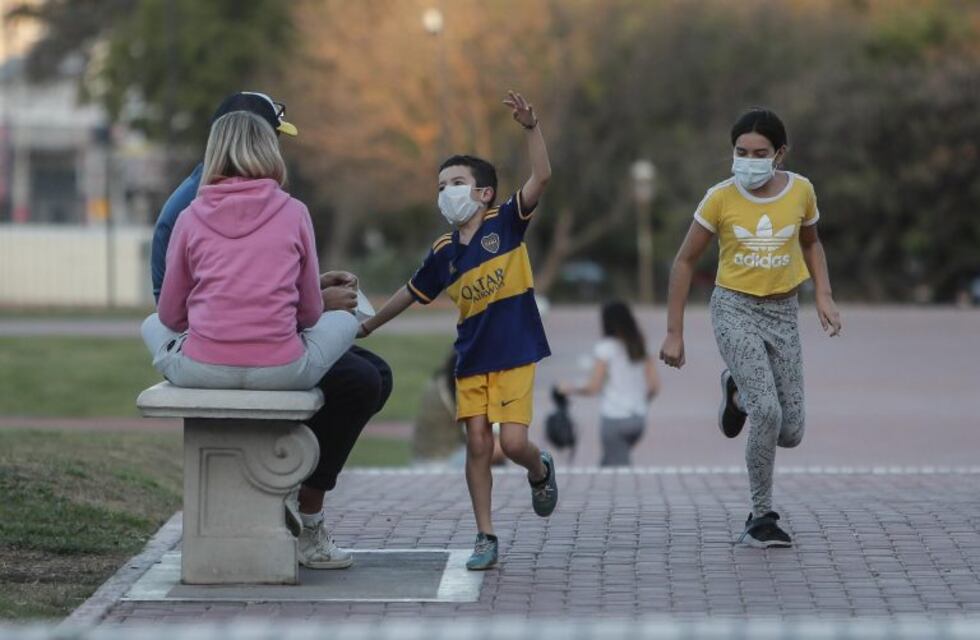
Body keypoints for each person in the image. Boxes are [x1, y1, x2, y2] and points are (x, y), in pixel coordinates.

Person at [148, 92, 392, 570]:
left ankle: (293, 495)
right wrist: (320, 302)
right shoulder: (293, 210)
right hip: (281, 364)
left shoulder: (190, 213)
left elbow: (170, 315)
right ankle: (304, 511)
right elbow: (308, 315)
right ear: (266, 147)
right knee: (353, 336)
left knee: (371, 374)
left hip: (204, 363)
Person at [359, 91, 557, 571]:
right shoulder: (443, 251)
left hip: (516, 352)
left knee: (512, 446)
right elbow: (410, 292)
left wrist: (531, 129)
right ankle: (485, 535)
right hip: (471, 359)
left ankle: (539, 468)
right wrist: (368, 324)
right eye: (442, 185)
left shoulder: (506, 222)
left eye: (457, 182)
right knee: (478, 446)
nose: (447, 191)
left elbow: (542, 177)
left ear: (483, 193)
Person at [659, 108, 842, 548]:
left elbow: (812, 243)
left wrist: (823, 294)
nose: (749, 161)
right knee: (768, 412)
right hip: (734, 309)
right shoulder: (719, 198)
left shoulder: (801, 191)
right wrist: (674, 332)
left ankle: (737, 393)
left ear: (780, 154)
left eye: (760, 153)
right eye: (741, 152)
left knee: (790, 431)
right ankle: (761, 517)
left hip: (783, 312)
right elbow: (684, 261)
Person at [558, 301, 660, 466]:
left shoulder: (605, 348)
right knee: (610, 461)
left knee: (618, 469)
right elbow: (654, 387)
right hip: (638, 420)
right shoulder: (641, 346)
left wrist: (570, 388)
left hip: (615, 418)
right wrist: (639, 402)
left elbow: (594, 387)